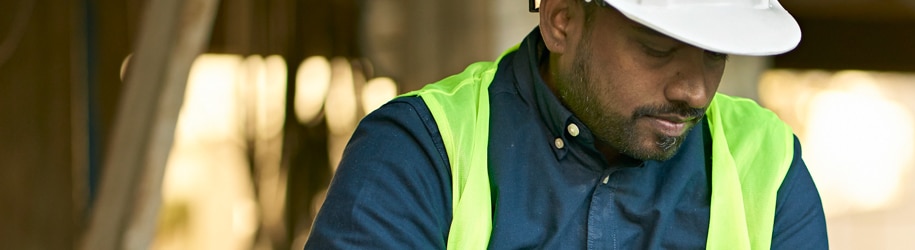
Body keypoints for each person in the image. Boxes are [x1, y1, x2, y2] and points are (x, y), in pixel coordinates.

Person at [305, 0, 826, 248]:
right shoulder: (421, 151)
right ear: (561, 19)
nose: (693, 91)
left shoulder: (768, 165)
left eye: (716, 56)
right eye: (657, 49)